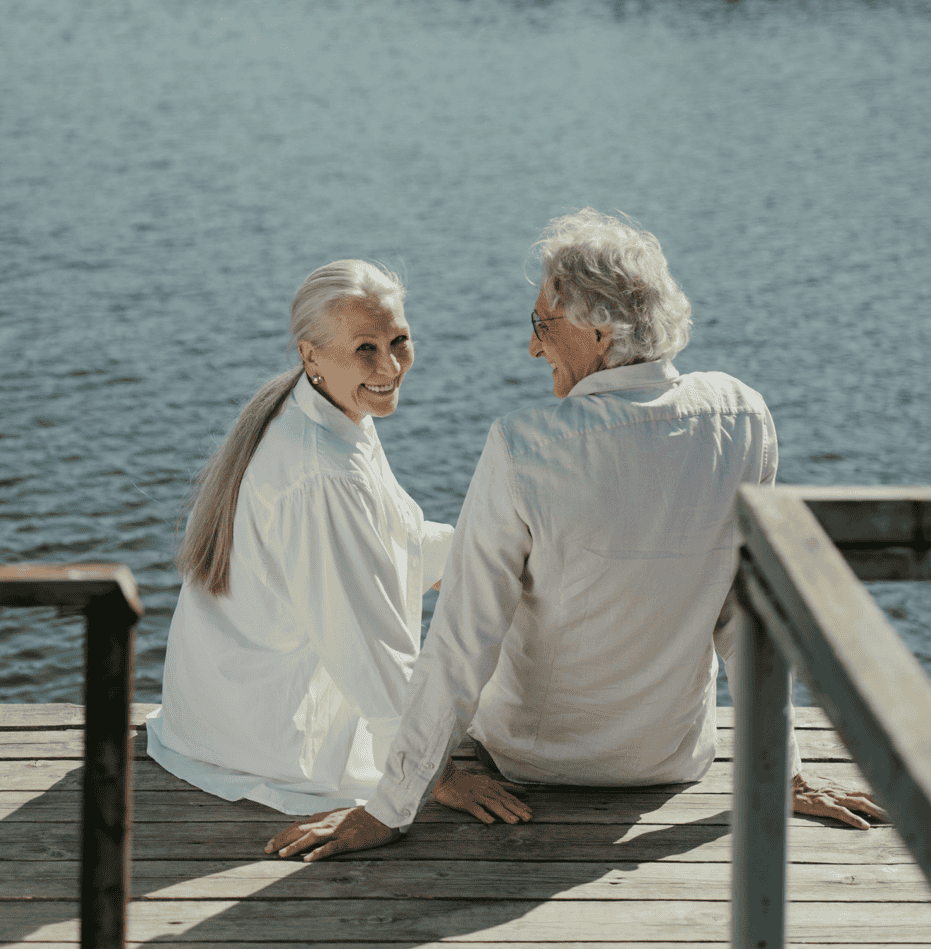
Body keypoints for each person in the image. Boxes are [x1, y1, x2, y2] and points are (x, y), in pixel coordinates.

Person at [265, 211, 887, 861]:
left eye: (541, 325)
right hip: (670, 760)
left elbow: (460, 643)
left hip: (534, 762)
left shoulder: (524, 447)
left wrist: (390, 807)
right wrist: (778, 771)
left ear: (597, 330)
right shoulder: (742, 417)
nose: (533, 348)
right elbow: (746, 613)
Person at [147, 259, 528, 820]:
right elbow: (369, 641)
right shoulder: (323, 471)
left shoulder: (327, 412)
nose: (391, 366)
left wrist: (512, 548)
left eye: (399, 340)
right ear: (311, 354)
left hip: (216, 712)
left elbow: (390, 539)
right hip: (262, 735)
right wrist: (435, 775)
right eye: (365, 349)